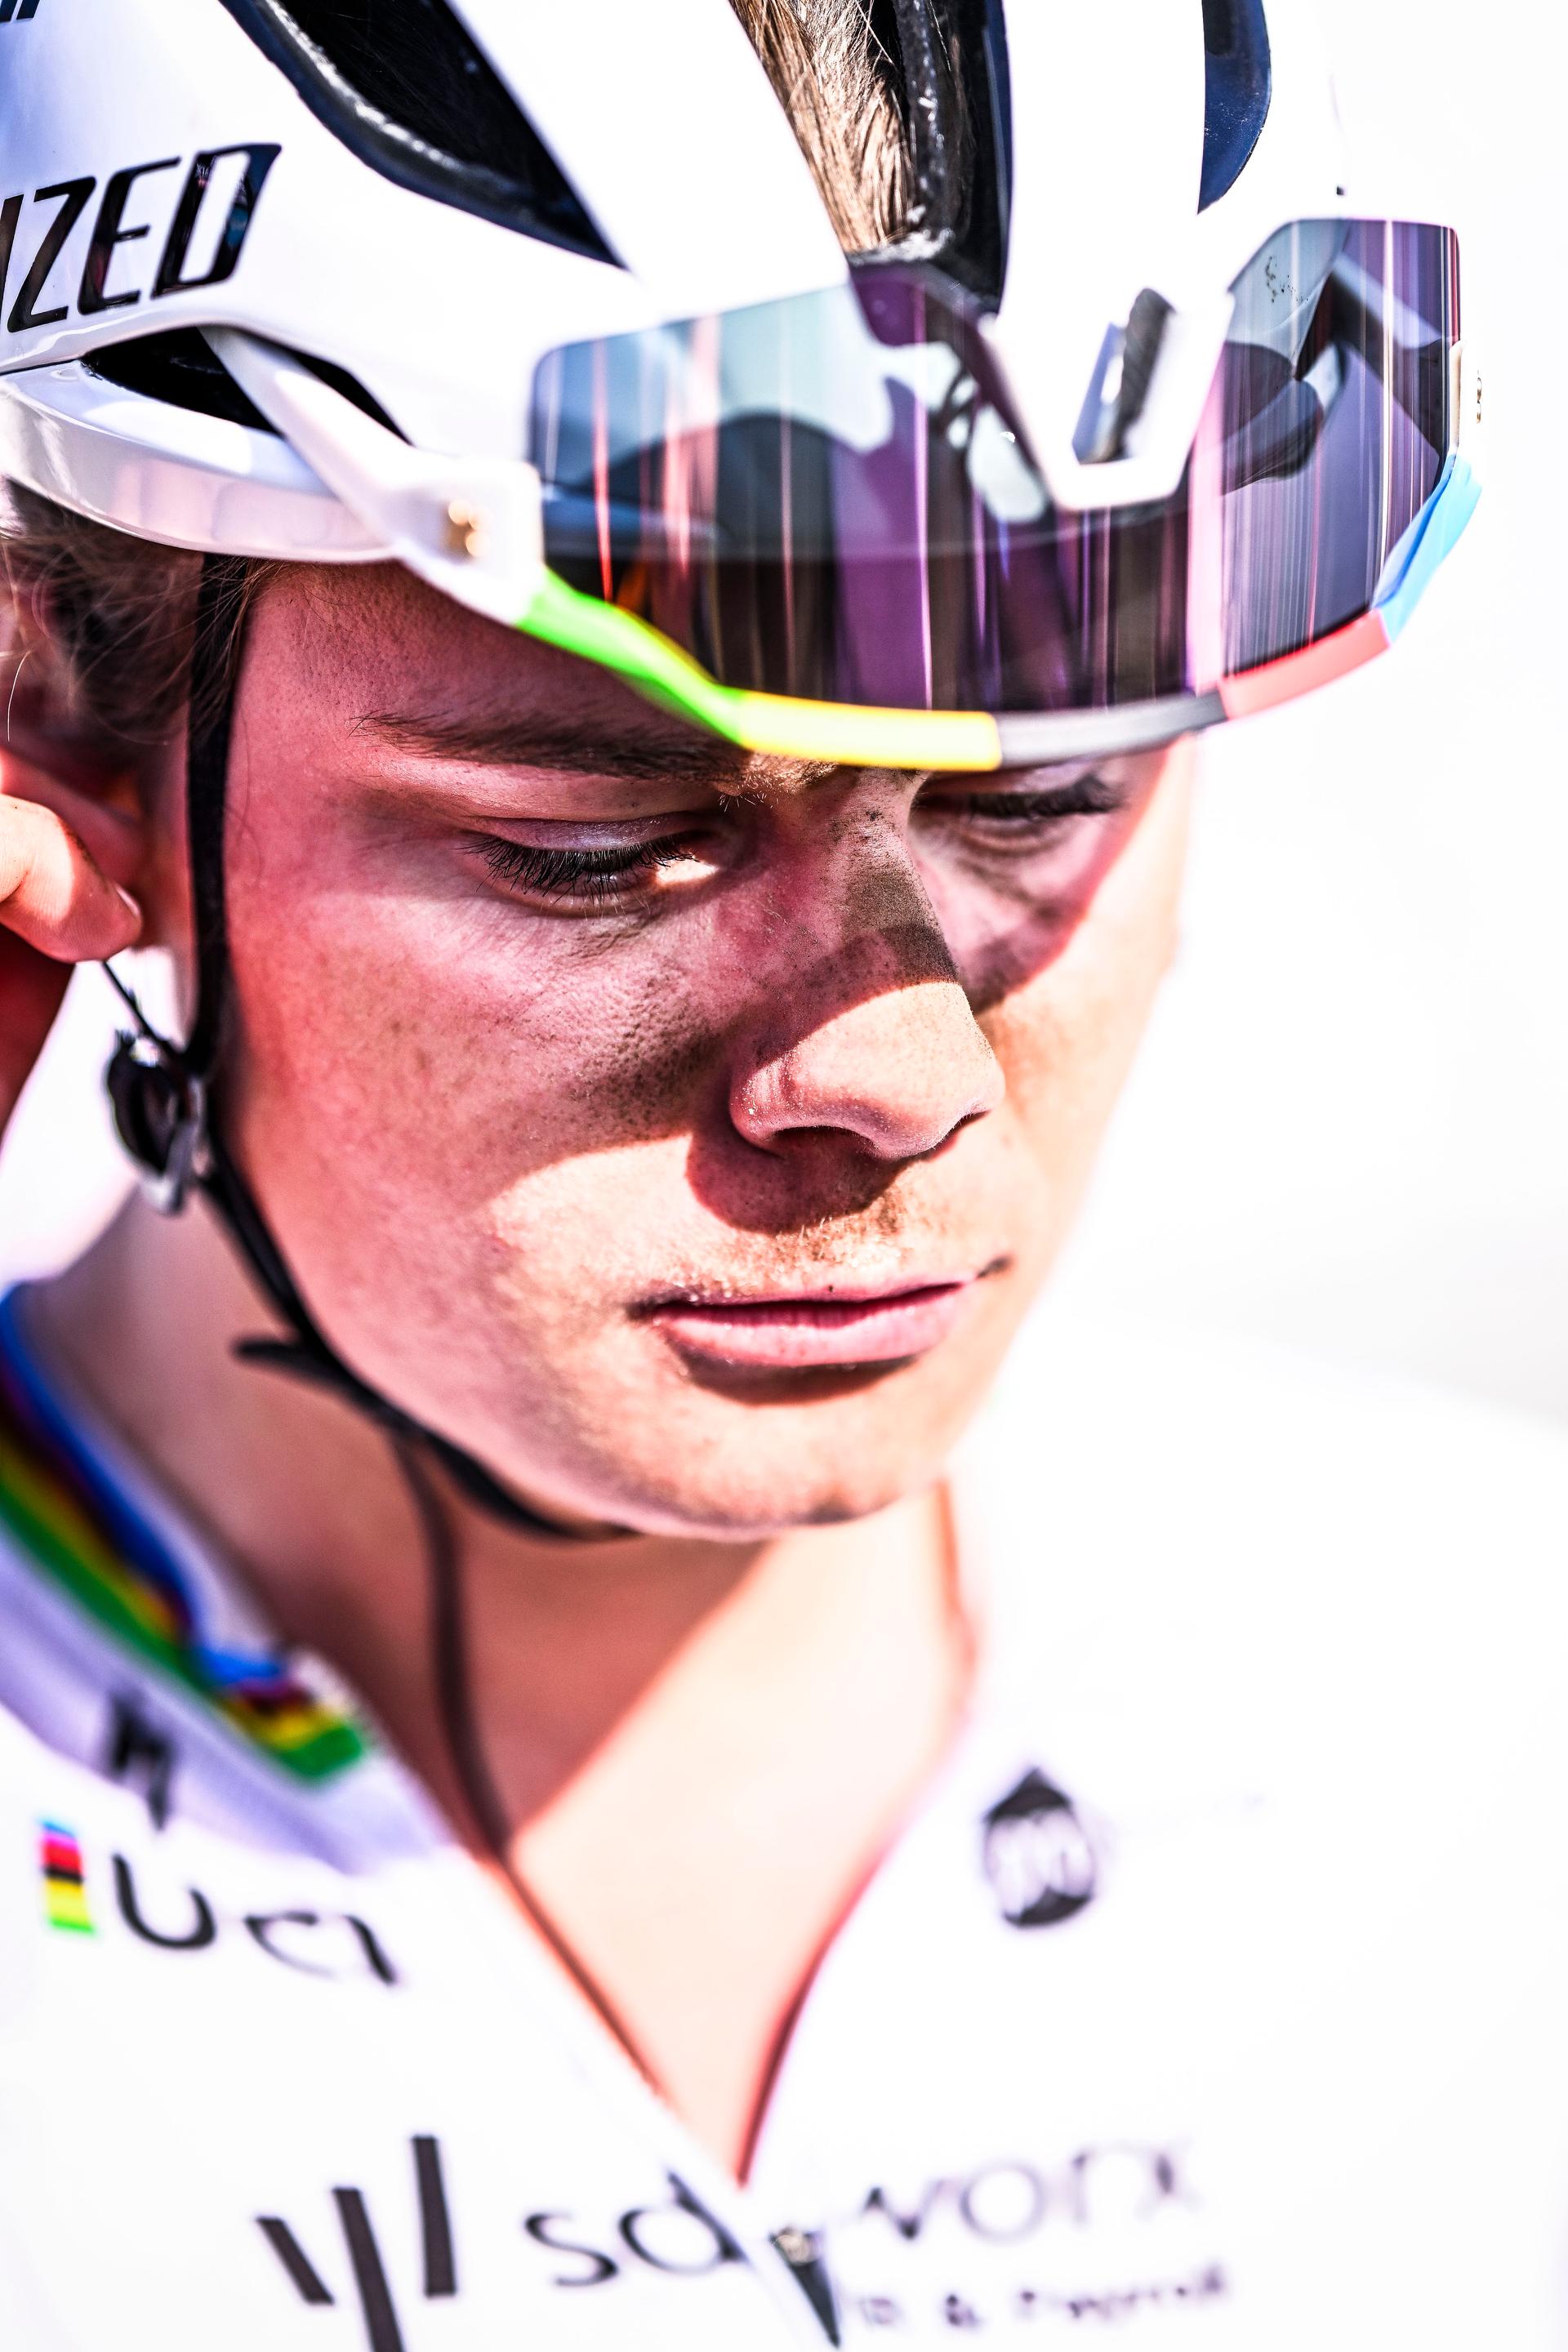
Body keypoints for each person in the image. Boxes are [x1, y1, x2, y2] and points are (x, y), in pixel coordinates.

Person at [0, 1, 1560, 2345]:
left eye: (1044, 793)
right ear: (47, 716)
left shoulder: (1505, 1697)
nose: (897, 1078)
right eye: (605, 841)